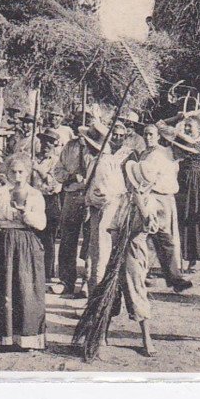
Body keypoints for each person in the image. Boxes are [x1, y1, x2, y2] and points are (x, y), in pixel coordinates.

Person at [0, 154, 47, 350]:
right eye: (13, 171)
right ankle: (0, 338)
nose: (17, 176)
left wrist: (25, 213)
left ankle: (26, 339)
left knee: (26, 289)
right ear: (7, 172)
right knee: (0, 289)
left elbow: (42, 224)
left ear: (28, 173)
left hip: (26, 243)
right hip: (2, 242)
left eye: (21, 172)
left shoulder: (35, 194)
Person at [101, 157, 167, 358]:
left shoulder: (150, 202)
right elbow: (112, 225)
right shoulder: (122, 199)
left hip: (134, 253)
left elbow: (150, 226)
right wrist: (116, 240)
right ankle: (102, 334)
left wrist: (141, 205)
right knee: (109, 291)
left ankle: (146, 339)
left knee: (136, 291)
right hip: (117, 250)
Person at [160, 116, 200, 274]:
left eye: (190, 126)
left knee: (197, 221)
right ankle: (178, 259)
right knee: (180, 219)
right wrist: (177, 118)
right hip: (182, 185)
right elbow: (160, 127)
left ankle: (193, 260)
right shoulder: (179, 142)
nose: (187, 129)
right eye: (186, 126)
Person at [140, 124, 193, 292]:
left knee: (165, 240)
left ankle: (174, 278)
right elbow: (143, 179)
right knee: (152, 238)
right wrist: (146, 204)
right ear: (174, 146)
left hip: (167, 200)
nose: (185, 155)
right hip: (153, 199)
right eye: (183, 151)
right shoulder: (157, 156)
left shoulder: (174, 161)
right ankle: (141, 275)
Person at [53, 123, 103, 296]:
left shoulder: (99, 150)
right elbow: (57, 170)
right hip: (72, 195)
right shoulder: (69, 147)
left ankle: (87, 281)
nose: (84, 139)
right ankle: (66, 281)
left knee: (90, 240)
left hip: (91, 198)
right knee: (67, 239)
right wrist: (71, 176)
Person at [85, 125, 128, 293]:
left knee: (99, 254)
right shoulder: (107, 161)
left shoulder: (102, 164)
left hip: (104, 211)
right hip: (108, 209)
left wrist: (89, 200)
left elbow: (102, 194)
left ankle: (96, 297)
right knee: (98, 253)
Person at [32, 128, 63, 285]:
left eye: (50, 142)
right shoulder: (34, 159)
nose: (46, 145)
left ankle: (47, 273)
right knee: (33, 236)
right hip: (34, 200)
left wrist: (39, 171)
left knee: (48, 239)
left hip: (50, 201)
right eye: (44, 141)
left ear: (55, 145)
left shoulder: (56, 161)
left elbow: (53, 184)